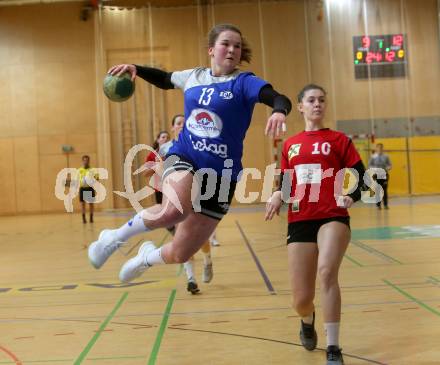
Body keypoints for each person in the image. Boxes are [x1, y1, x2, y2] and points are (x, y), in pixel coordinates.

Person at [88, 24, 291, 289]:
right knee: (174, 210)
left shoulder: (245, 83)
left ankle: (145, 258)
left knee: (181, 253)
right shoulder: (193, 76)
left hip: (222, 176)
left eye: (237, 46)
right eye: (225, 44)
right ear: (211, 50)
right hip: (186, 156)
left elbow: (278, 97)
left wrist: (279, 111)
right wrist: (136, 68)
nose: (232, 49)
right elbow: (164, 78)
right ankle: (112, 238)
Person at [265, 84, 366, 365]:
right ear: (300, 106)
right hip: (300, 219)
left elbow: (363, 174)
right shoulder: (290, 144)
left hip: (333, 215)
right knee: (300, 299)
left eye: (322, 99)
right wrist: (276, 195)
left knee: (327, 272)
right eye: (311, 100)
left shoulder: (339, 140)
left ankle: (333, 346)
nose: (317, 104)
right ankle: (306, 320)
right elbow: (285, 183)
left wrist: (352, 195)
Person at [144, 130, 170, 205]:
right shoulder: (152, 155)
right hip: (159, 187)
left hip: (173, 186)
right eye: (163, 137)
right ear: (158, 140)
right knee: (161, 210)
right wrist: (157, 164)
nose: (166, 139)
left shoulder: (174, 152)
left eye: (168, 138)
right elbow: (146, 174)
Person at [368, 143, 391, 210]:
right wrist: (374, 169)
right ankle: (378, 205)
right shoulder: (373, 156)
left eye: (381, 148)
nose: (380, 149)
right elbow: (369, 165)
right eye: (378, 148)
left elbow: (389, 164)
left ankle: (386, 205)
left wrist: (388, 167)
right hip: (376, 175)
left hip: (384, 175)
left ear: (382, 148)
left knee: (384, 190)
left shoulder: (386, 156)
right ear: (376, 148)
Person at [77, 155, 99, 224]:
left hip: (89, 188)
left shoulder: (92, 170)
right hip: (83, 188)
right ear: (82, 161)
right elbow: (77, 179)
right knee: (83, 204)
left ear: (89, 161)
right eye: (84, 160)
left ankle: (91, 217)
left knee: (90, 204)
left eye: (87, 160)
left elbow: (97, 178)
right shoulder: (79, 170)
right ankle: (83, 218)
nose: (85, 161)